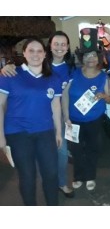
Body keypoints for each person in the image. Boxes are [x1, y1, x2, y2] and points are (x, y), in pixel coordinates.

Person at [1, 31, 76, 198]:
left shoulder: (60, 73)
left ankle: (57, 194)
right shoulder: (13, 73)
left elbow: (59, 101)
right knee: (28, 176)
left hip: (46, 128)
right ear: (25, 53)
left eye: (39, 51)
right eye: (31, 51)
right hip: (19, 131)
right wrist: (1, 136)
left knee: (53, 168)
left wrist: (62, 125)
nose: (35, 54)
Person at [62, 28, 110, 191]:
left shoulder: (104, 76)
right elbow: (65, 96)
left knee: (92, 149)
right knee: (76, 150)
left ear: (98, 58)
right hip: (74, 120)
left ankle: (90, 176)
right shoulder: (73, 73)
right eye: (86, 56)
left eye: (93, 55)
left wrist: (105, 96)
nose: (90, 58)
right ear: (81, 58)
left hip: (94, 120)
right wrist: (66, 117)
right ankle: (78, 176)